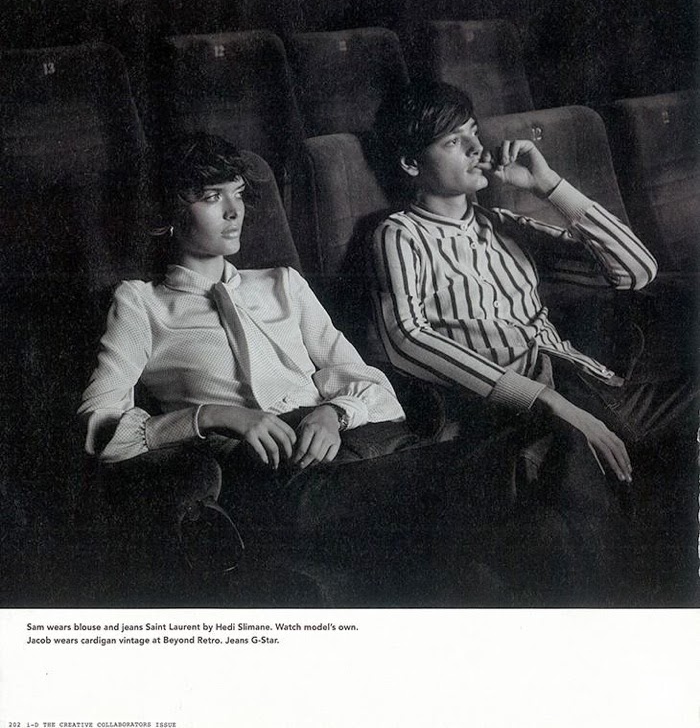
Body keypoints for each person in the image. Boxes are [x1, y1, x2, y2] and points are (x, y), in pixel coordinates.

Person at [78, 131, 528, 606]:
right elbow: (99, 431)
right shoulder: (141, 303)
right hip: (271, 474)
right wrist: (213, 416)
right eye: (212, 198)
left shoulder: (283, 284)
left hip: (359, 446)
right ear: (167, 215)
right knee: (501, 479)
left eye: (238, 194)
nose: (234, 211)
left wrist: (334, 413)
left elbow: (371, 384)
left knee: (495, 529)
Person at [369, 81, 698, 603]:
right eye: (453, 141)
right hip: (515, 413)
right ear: (411, 164)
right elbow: (406, 337)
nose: (476, 148)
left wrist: (547, 185)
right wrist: (544, 399)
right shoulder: (400, 234)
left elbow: (636, 271)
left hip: (591, 385)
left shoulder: (504, 224)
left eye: (473, 133)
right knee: (585, 512)